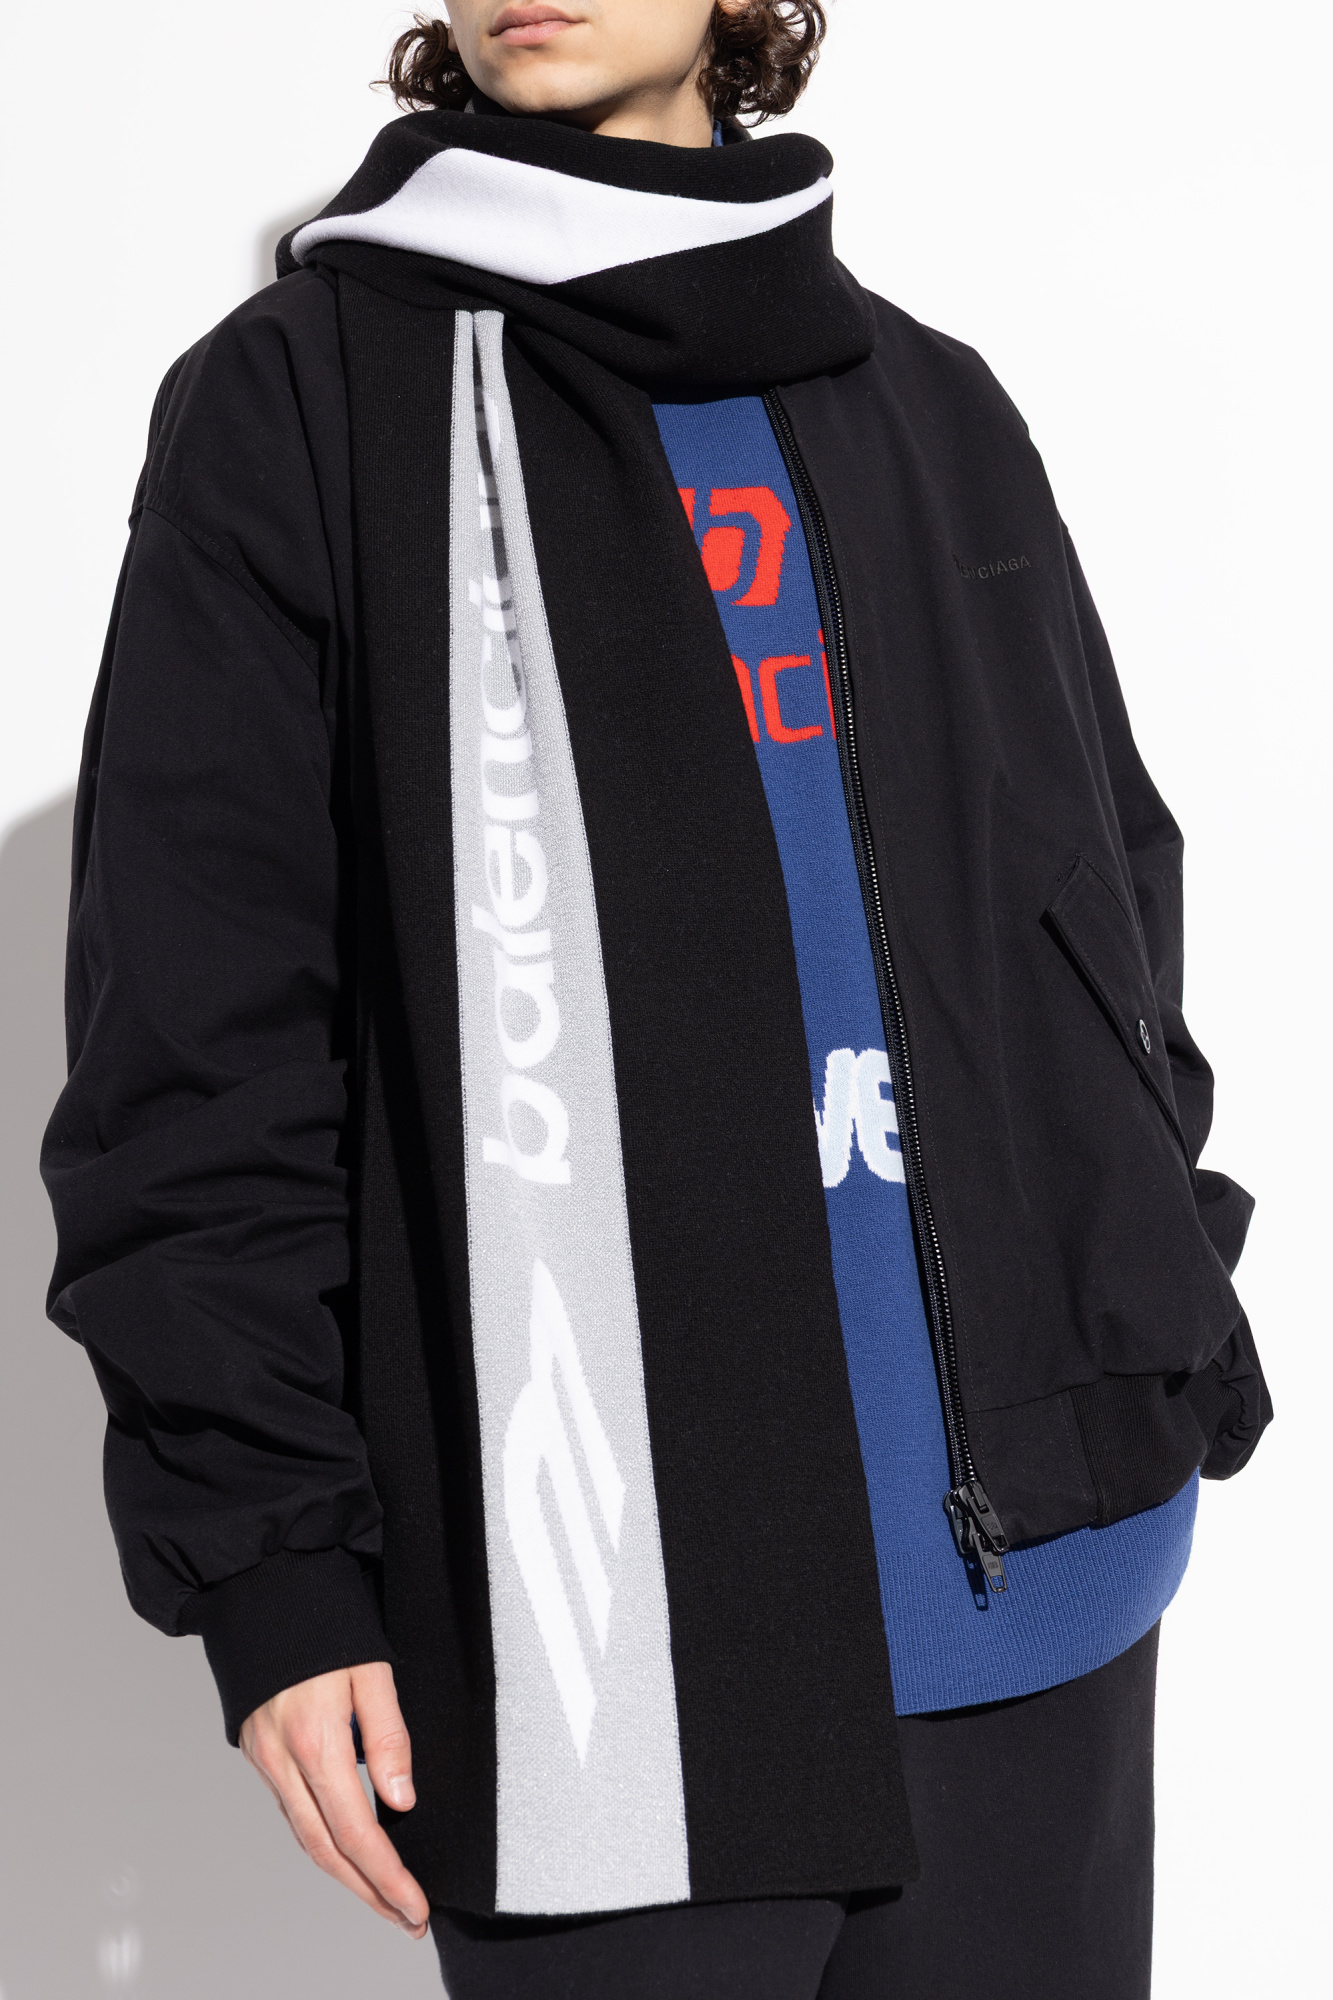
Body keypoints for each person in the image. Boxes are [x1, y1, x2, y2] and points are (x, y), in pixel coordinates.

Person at [41, 3, 1271, 1994]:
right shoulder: (305, 402)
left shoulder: (929, 399)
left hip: (1045, 1592)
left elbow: (1097, 904)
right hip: (598, 1646)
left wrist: (1158, 1302)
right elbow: (198, 1038)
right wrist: (269, 1561)